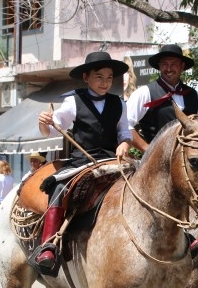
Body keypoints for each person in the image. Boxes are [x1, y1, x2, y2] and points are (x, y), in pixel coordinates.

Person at [36, 50, 132, 271]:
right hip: (83, 162)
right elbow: (52, 129)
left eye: (109, 78)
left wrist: (125, 144)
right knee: (59, 188)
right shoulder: (73, 101)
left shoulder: (119, 103)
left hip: (112, 161)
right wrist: (44, 121)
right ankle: (48, 245)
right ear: (86, 77)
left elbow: (124, 132)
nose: (105, 82)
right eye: (99, 77)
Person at [126, 43, 198, 152]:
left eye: (173, 64)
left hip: (189, 160)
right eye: (164, 64)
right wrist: (148, 150)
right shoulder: (144, 93)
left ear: (182, 66)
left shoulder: (194, 95)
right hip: (158, 160)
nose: (169, 68)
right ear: (159, 66)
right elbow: (125, 125)